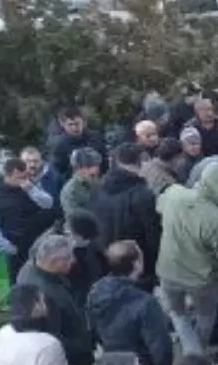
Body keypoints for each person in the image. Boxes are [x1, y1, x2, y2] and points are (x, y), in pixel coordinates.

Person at [158, 160, 218, 356]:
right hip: (201, 279)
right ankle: (196, 353)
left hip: (167, 270)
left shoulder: (173, 193)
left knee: (177, 313)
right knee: (205, 316)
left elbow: (159, 210)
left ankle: (188, 346)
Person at [87, 240, 174, 365]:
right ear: (136, 264)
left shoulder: (96, 290)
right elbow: (161, 348)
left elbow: (92, 327)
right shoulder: (146, 303)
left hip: (111, 360)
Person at [16, 234, 93, 365]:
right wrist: (83, 348)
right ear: (54, 261)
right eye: (69, 257)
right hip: (69, 360)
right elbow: (55, 334)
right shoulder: (49, 294)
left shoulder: (28, 269)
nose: (74, 261)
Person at [90, 143, 163, 287]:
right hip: (136, 262)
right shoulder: (143, 195)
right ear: (141, 161)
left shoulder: (99, 187)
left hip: (106, 257)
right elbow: (153, 235)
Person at [0, 157, 58, 279]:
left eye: (24, 176)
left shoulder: (29, 185)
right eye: (19, 178)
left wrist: (31, 190)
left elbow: (48, 203)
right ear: (7, 176)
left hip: (35, 240)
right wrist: (9, 247)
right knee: (17, 278)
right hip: (14, 245)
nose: (23, 181)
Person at [45, 106, 108, 191]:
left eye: (77, 123)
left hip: (99, 184)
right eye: (70, 124)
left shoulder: (96, 138)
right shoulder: (59, 145)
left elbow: (105, 161)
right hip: (74, 188)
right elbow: (57, 172)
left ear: (84, 122)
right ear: (62, 124)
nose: (74, 128)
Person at [59, 147, 103, 221]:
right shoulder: (70, 191)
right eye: (88, 167)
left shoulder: (99, 183)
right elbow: (74, 217)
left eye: (96, 165)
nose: (94, 170)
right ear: (77, 169)